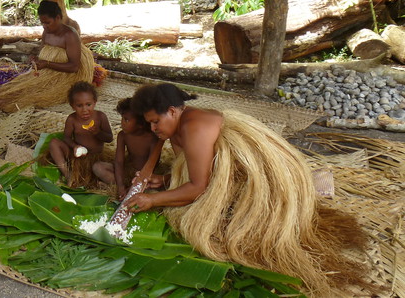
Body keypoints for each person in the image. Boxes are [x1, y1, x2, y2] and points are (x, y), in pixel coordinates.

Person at [124, 83, 368, 296]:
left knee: (231, 235)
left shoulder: (193, 128)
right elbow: (197, 171)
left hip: (262, 183)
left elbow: (198, 187)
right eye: (150, 124)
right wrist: (165, 180)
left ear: (173, 111)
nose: (154, 129)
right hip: (231, 178)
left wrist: (153, 201)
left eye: (156, 121)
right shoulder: (178, 127)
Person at [0, 0, 100, 112]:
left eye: (48, 22)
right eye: (42, 23)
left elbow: (74, 67)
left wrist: (46, 64)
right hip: (48, 72)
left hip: (67, 79)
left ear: (58, 17)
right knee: (14, 86)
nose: (45, 26)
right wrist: (35, 59)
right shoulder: (47, 32)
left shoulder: (69, 35)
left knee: (27, 95)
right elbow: (42, 52)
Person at [92, 98, 162, 199]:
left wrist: (138, 182)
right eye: (122, 118)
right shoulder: (123, 135)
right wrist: (120, 186)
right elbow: (119, 162)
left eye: (127, 120)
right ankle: (120, 188)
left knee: (154, 189)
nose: (122, 122)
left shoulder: (152, 139)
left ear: (141, 124)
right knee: (98, 167)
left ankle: (121, 188)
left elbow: (153, 166)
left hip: (146, 176)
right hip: (127, 171)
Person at [47, 81, 113, 187]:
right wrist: (75, 146)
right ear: (72, 106)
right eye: (79, 106)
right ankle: (68, 175)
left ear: (95, 102)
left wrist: (98, 132)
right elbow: (67, 138)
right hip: (76, 157)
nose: (85, 110)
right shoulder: (72, 120)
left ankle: (95, 182)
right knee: (54, 143)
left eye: (88, 104)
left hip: (96, 157)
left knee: (98, 168)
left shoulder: (100, 117)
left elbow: (109, 138)